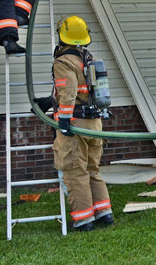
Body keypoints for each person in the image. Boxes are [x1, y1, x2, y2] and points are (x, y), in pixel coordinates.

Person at [52, 15, 113, 232]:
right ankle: (104, 213)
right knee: (93, 169)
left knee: (75, 171)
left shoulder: (63, 62)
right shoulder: (88, 58)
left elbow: (68, 92)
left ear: (62, 37)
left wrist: (65, 120)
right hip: (94, 124)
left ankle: (84, 220)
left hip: (76, 125)